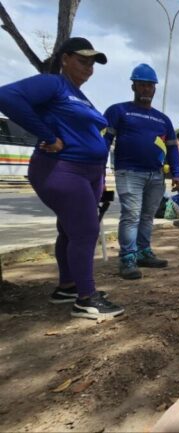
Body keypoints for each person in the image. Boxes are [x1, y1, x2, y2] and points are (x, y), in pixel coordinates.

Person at [0, 37, 123, 319]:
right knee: (85, 232)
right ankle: (87, 300)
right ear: (65, 59)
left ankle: (68, 286)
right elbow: (6, 96)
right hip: (63, 169)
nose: (89, 68)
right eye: (83, 60)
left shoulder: (79, 95)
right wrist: (48, 136)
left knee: (70, 231)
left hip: (89, 173)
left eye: (92, 63)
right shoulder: (54, 83)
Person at [103, 63, 179, 280]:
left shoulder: (163, 119)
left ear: (155, 88)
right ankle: (128, 257)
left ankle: (144, 251)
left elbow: (172, 148)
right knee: (131, 215)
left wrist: (176, 173)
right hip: (129, 172)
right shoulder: (119, 111)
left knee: (147, 216)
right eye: (142, 85)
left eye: (150, 85)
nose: (146, 89)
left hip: (156, 175)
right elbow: (104, 140)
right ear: (133, 86)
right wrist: (97, 167)